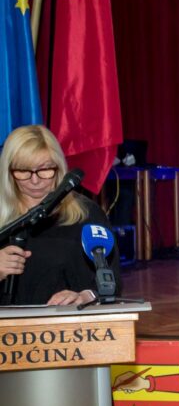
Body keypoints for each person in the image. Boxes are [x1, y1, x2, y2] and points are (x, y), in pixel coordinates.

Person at [0, 124, 121, 306]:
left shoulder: (86, 213)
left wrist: (85, 297)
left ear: (59, 168)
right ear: (9, 172)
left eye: (44, 169)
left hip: (69, 321)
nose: (35, 180)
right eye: (23, 171)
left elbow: (112, 279)